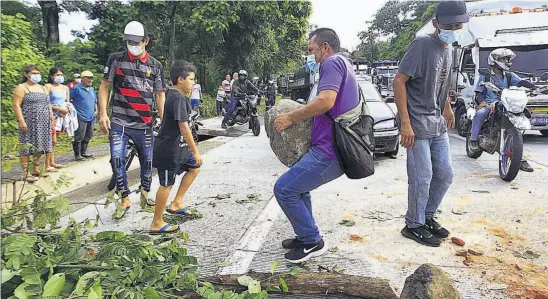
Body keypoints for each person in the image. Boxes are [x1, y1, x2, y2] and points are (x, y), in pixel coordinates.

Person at [273, 28, 358, 263]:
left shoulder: (332, 62)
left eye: (311, 50)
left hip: (329, 151)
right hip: (327, 147)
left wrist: (291, 117)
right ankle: (305, 235)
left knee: (284, 189)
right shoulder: (344, 63)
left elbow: (325, 101)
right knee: (299, 189)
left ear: (325, 47)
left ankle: (312, 241)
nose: (310, 55)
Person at [393, 0, 467, 247]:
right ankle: (413, 225)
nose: (454, 29)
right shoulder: (422, 45)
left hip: (436, 121)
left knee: (445, 174)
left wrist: (446, 108)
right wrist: (405, 122)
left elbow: (441, 82)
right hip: (416, 123)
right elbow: (399, 82)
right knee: (422, 176)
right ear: (436, 23)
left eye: (458, 25)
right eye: (449, 25)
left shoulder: (450, 48)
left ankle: (426, 216)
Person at [98, 21, 166, 219]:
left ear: (146, 41)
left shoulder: (155, 65)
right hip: (119, 120)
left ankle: (145, 194)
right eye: (128, 41)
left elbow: (160, 95)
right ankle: (124, 197)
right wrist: (103, 114)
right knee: (117, 158)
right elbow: (104, 87)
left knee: (147, 161)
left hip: (144, 123)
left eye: (136, 42)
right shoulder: (115, 60)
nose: (132, 45)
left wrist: (164, 121)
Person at [150, 60, 203, 235]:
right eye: (191, 79)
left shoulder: (175, 95)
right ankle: (156, 222)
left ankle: (176, 203)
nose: (193, 83)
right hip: (168, 150)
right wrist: (195, 150)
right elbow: (184, 126)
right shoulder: (177, 97)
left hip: (178, 148)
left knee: (194, 167)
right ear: (181, 79)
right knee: (166, 184)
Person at [470, 48, 534, 172]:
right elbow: (478, 93)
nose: (506, 61)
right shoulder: (486, 76)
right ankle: (473, 140)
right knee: (480, 113)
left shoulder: (510, 76)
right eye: (503, 59)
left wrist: (534, 86)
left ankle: (518, 158)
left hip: (506, 103)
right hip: (490, 104)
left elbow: (521, 82)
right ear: (495, 61)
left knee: (517, 125)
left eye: (507, 59)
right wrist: (482, 102)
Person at [13, 65, 54, 182]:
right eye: (33, 73)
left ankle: (35, 169)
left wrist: (51, 118)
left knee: (41, 145)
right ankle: (25, 173)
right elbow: (16, 105)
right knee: (26, 145)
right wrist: (21, 121)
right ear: (26, 74)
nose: (36, 75)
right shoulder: (22, 87)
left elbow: (48, 104)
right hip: (29, 121)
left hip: (43, 121)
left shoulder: (43, 88)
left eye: (38, 73)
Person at [45, 66, 69, 170]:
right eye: (57, 75)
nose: (60, 77)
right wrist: (58, 109)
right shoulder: (48, 86)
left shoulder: (65, 88)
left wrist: (64, 111)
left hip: (60, 116)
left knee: (55, 140)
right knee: (51, 140)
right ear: (52, 76)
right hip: (50, 115)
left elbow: (67, 102)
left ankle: (52, 162)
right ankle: (47, 164)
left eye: (61, 75)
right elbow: (45, 102)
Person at [70, 71, 98, 161]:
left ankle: (84, 152)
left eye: (91, 78)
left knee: (88, 134)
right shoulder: (76, 89)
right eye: (88, 77)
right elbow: (69, 99)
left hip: (91, 115)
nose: (90, 80)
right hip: (80, 115)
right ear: (82, 78)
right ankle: (77, 154)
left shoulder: (92, 89)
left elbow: (95, 101)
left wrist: (96, 110)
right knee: (79, 135)